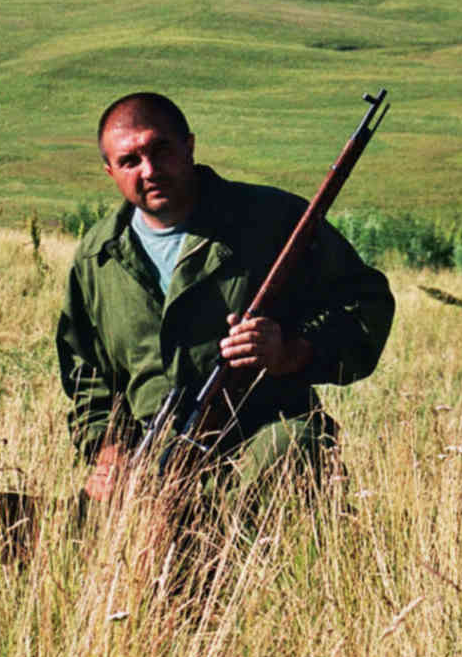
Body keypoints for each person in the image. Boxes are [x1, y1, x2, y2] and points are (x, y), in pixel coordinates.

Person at [56, 92, 394, 506]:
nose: (150, 170)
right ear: (110, 171)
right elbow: (86, 375)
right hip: (154, 463)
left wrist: (293, 351)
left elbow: (365, 306)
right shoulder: (98, 258)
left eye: (160, 149)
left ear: (189, 146)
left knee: (290, 448)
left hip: (261, 440)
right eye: (130, 161)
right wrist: (109, 453)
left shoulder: (273, 219)